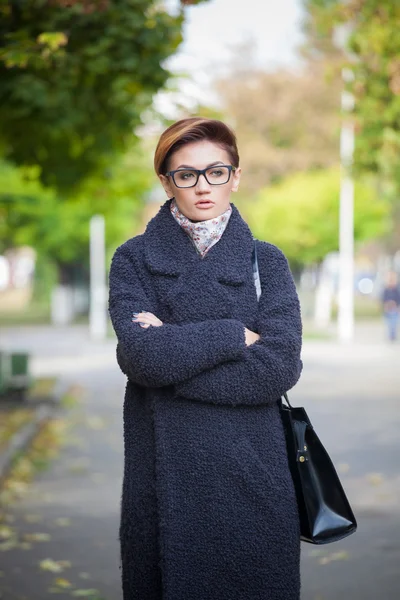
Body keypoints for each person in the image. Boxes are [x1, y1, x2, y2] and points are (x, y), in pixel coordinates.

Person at [108, 117, 303, 600]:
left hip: (253, 472)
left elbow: (279, 367)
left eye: (217, 172)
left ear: (236, 176)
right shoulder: (133, 259)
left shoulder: (267, 260)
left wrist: (172, 356)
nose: (203, 187)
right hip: (162, 479)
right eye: (186, 174)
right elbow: (142, 358)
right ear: (166, 181)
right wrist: (234, 333)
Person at [381, 271, 400, 341]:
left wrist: (397, 306)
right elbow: (383, 299)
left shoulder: (396, 290)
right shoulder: (386, 290)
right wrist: (385, 305)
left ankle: (393, 335)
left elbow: (398, 299)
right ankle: (391, 335)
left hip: (394, 309)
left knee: (394, 324)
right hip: (388, 309)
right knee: (389, 324)